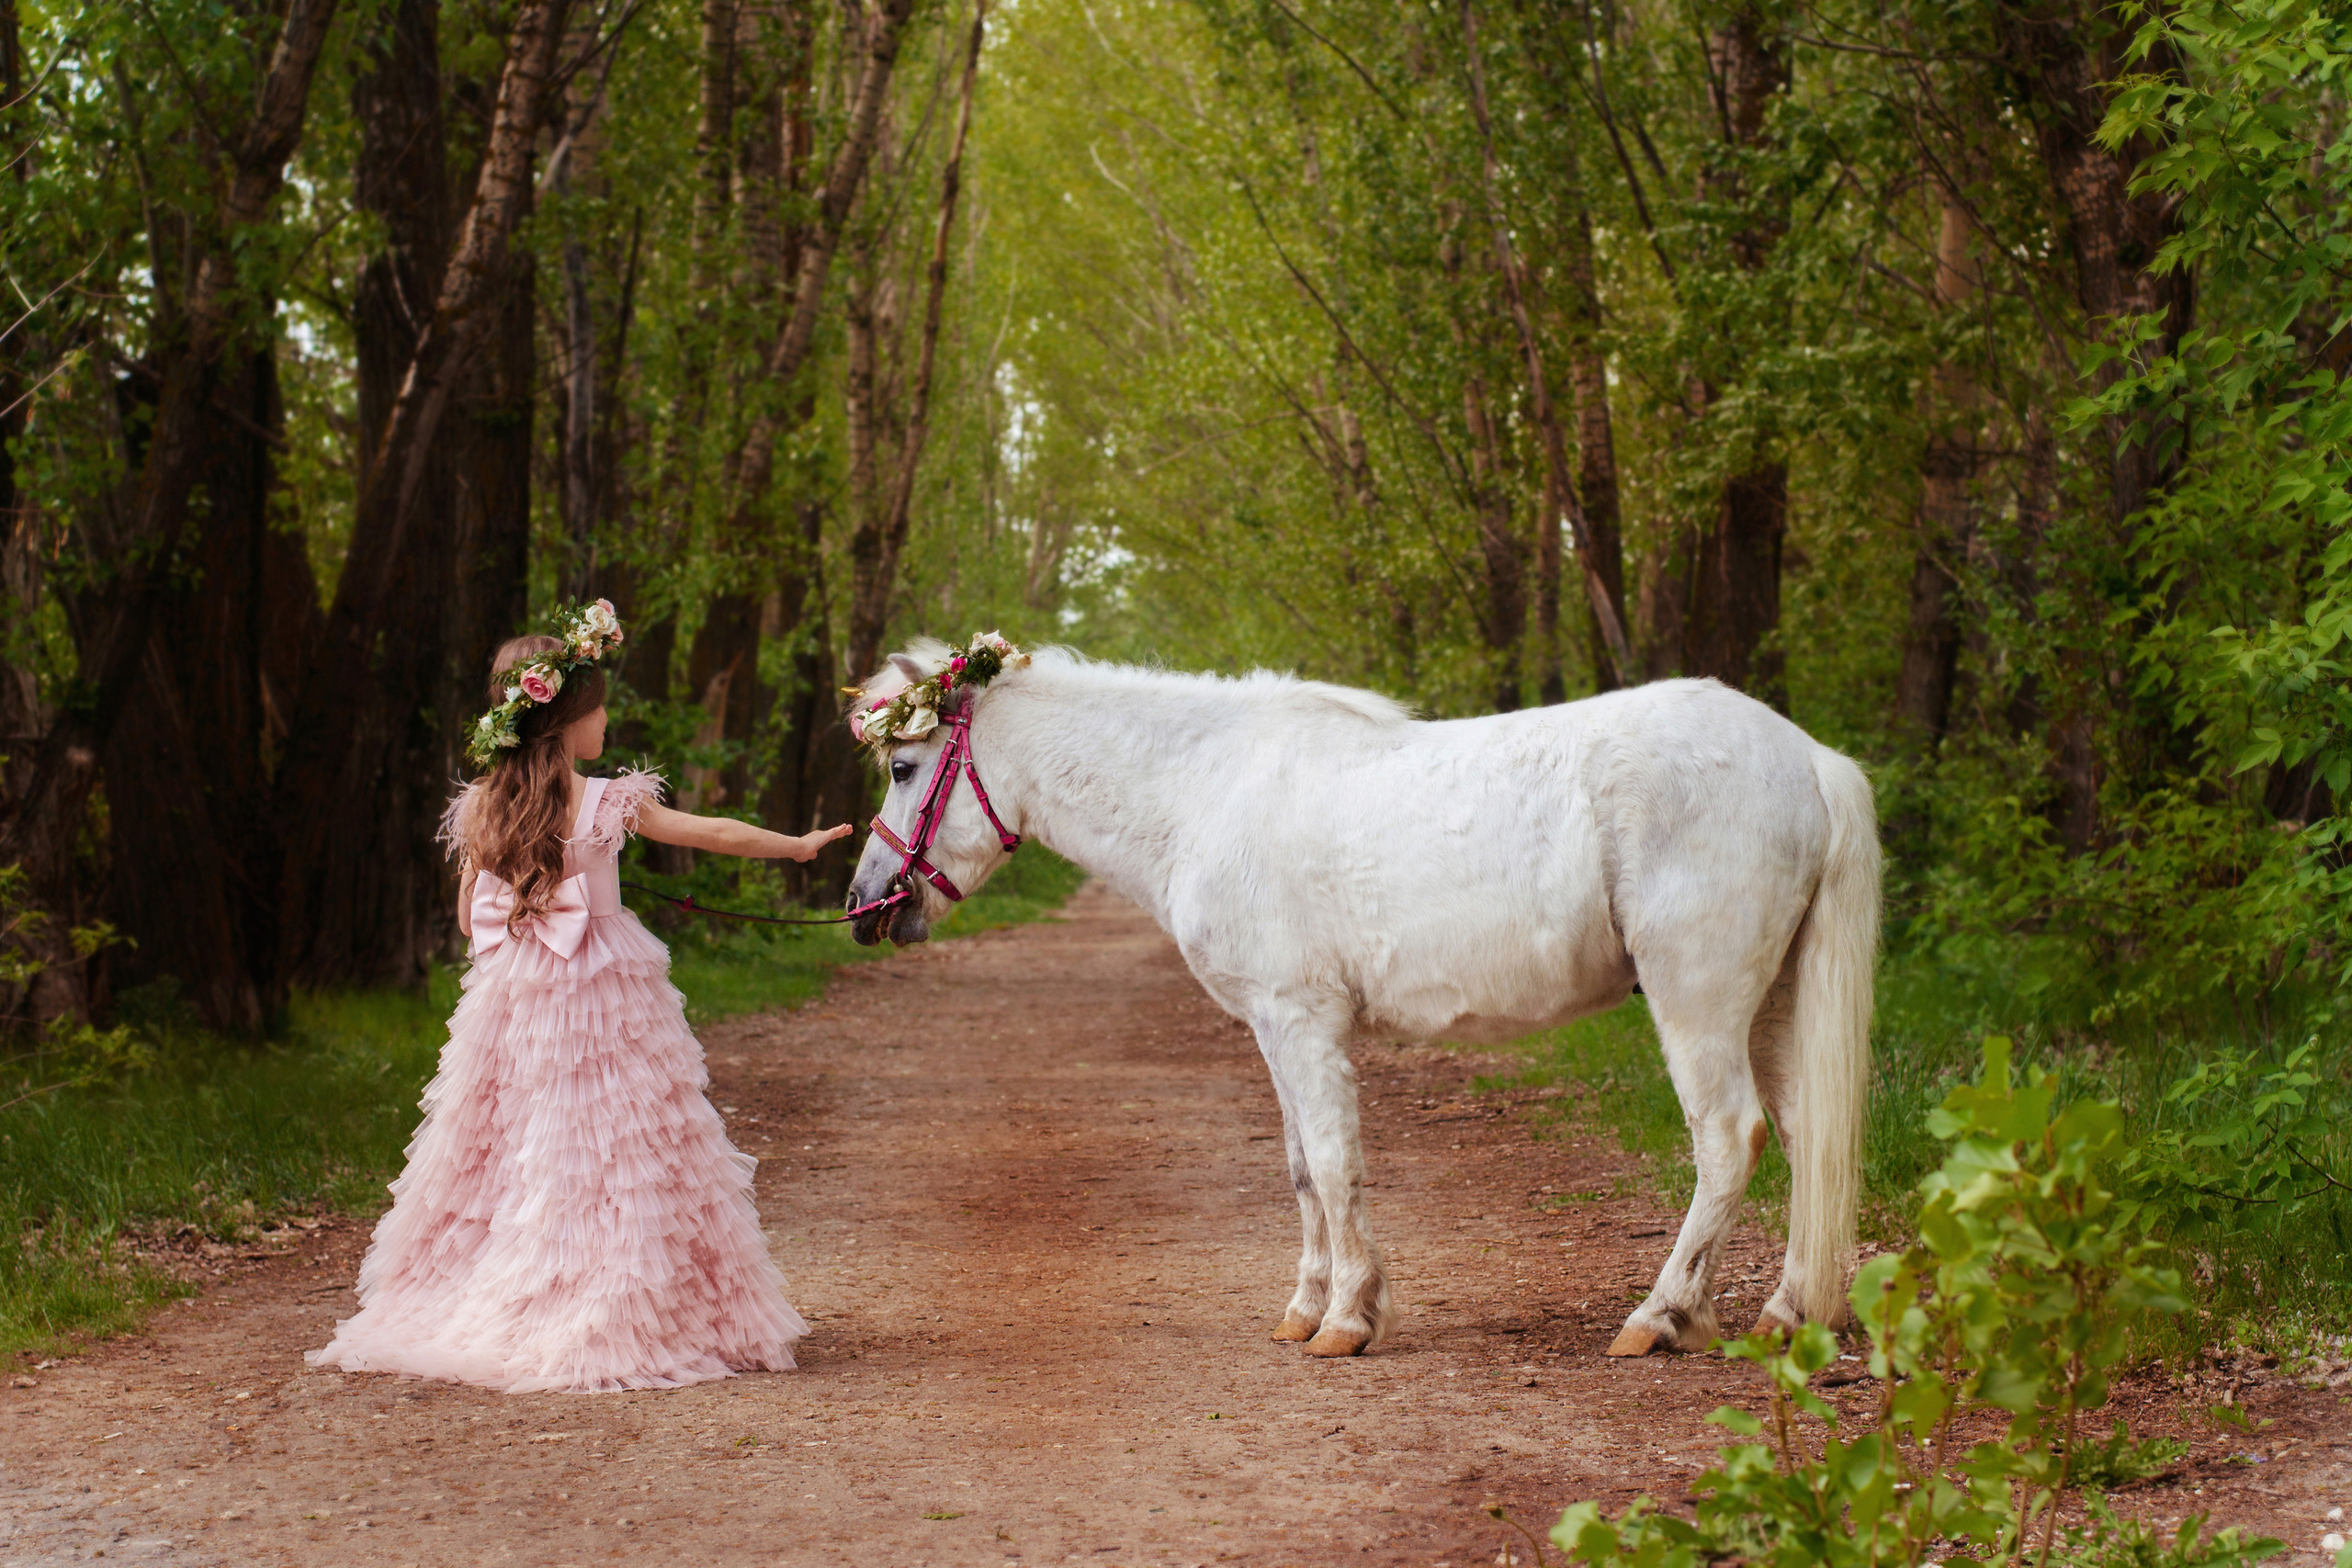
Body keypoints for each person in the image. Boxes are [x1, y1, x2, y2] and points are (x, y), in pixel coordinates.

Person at [308, 602, 853, 1393]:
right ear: (566, 720)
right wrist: (797, 846)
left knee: (515, 1146)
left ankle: (512, 1284)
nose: (606, 719)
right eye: (597, 706)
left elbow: (469, 917)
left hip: (516, 997)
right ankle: (618, 1297)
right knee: (620, 1146)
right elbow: (715, 833)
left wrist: (520, 897)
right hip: (604, 990)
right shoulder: (606, 800)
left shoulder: (485, 806)